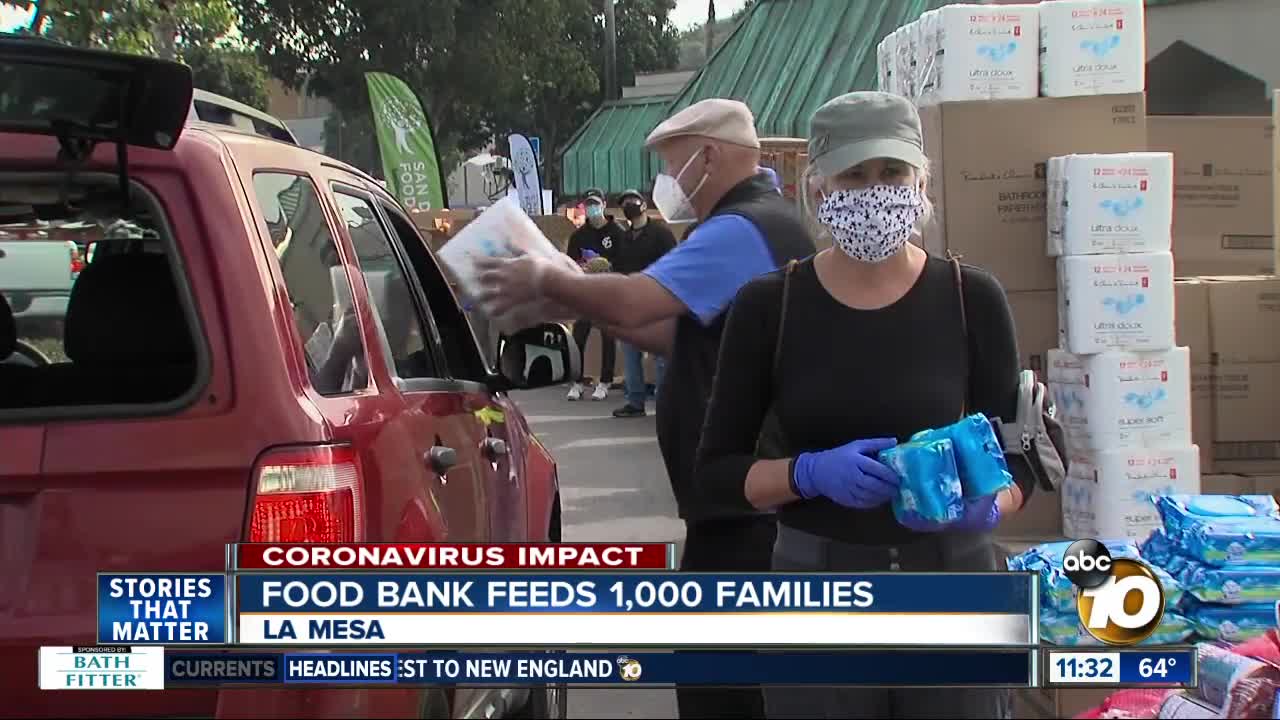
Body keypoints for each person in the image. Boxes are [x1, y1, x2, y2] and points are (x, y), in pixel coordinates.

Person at [476, 98, 815, 719]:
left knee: (727, 692)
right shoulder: (758, 224)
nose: (666, 184)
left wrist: (548, 280)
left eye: (672, 163)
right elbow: (672, 334)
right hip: (736, 504)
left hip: (749, 511)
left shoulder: (744, 228)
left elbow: (636, 301)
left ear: (708, 157)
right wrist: (578, 305)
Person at [694, 91, 1025, 719]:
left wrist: (985, 505)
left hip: (953, 588)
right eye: (855, 174)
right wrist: (807, 472)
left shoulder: (970, 298)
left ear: (921, 181)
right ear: (819, 189)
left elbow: (1018, 456)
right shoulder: (773, 306)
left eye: (893, 172)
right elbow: (716, 476)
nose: (876, 191)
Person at [611, 188, 676, 418]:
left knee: (660, 358)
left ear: (644, 204)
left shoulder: (661, 234)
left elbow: (673, 265)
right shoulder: (624, 237)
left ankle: (665, 403)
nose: (629, 205)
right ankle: (635, 401)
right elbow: (618, 269)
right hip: (630, 303)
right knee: (630, 354)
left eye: (633, 200)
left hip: (657, 300)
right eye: (625, 202)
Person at [564, 188, 624, 401]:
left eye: (595, 204)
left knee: (608, 337)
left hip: (608, 292)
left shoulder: (617, 232)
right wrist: (583, 267)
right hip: (586, 292)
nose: (592, 208)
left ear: (604, 205)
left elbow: (625, 261)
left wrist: (607, 265)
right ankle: (577, 382)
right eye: (588, 205)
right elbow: (570, 263)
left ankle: (605, 381)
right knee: (579, 336)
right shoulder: (579, 236)